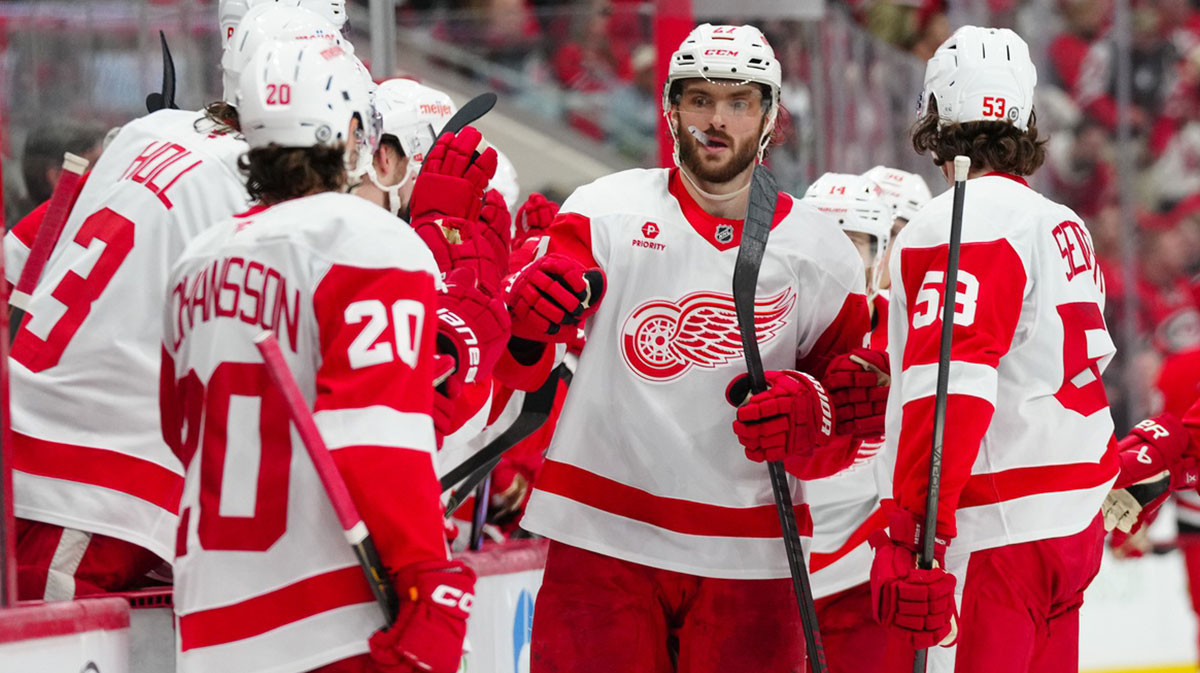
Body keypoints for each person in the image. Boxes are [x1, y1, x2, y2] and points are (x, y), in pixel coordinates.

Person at [508, 23, 877, 672]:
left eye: (739, 101)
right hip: (603, 539)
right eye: (700, 98)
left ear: (769, 116)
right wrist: (533, 306)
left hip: (751, 558)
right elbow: (528, 350)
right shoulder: (606, 209)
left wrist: (813, 415)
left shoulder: (819, 251)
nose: (717, 118)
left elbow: (854, 415)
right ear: (670, 109)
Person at [4, 4, 345, 602]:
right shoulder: (262, 189)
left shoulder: (146, 132)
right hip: (99, 482)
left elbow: (18, 259)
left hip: (27, 432)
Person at [164, 39, 472, 673]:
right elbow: (373, 435)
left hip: (209, 622)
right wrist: (425, 571)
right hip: (329, 619)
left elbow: (178, 432)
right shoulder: (367, 237)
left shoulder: (199, 256)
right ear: (354, 131)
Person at [871, 26, 1119, 672]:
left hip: (1001, 528)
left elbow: (953, 380)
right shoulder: (1063, 223)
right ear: (1025, 114)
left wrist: (913, 527)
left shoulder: (956, 220)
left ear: (933, 114)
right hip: (1073, 522)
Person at [800, 172, 908, 673]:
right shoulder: (757, 326)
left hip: (860, 581)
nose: (843, 260)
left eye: (858, 244)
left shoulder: (912, 338)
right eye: (829, 242)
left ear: (882, 252)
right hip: (764, 574)